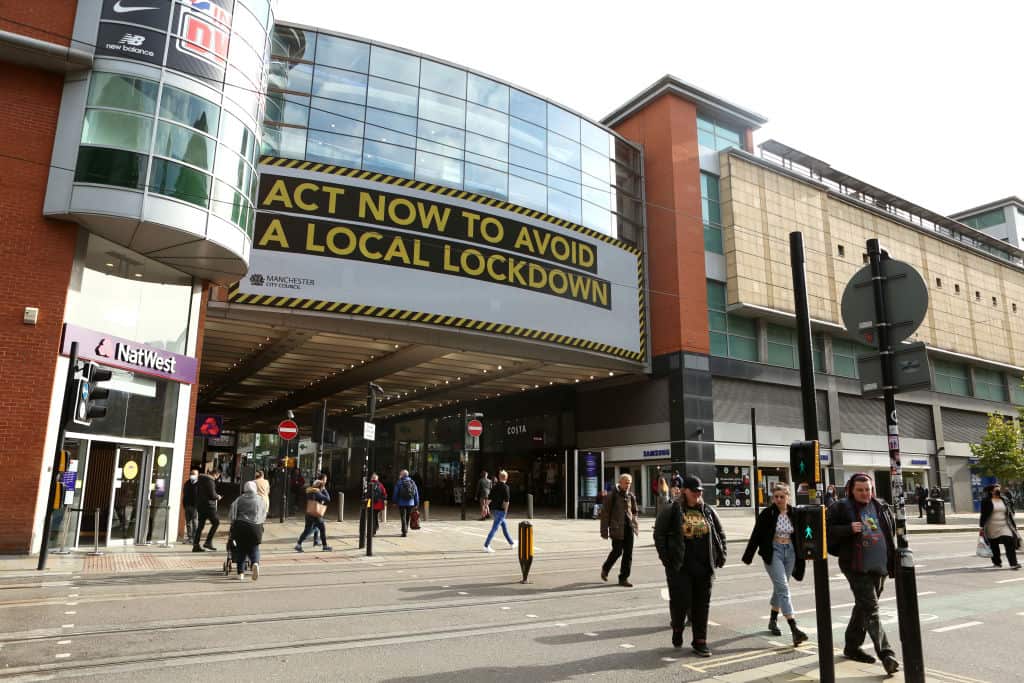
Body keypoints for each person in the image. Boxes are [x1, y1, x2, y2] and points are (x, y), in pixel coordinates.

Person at [827, 473, 900, 675]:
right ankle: (887, 655)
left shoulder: (881, 506)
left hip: (880, 566)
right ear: (851, 489)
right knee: (872, 608)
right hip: (855, 565)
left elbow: (889, 531)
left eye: (868, 489)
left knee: (864, 607)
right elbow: (826, 530)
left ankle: (852, 647)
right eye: (860, 490)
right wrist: (848, 529)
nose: (865, 493)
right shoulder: (841, 507)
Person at [653, 475, 726, 656]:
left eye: (700, 492)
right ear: (685, 490)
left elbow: (720, 533)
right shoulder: (672, 510)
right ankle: (677, 628)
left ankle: (700, 641)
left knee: (702, 604)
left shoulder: (707, 511)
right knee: (681, 603)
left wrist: (722, 553)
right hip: (680, 566)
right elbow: (659, 535)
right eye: (694, 491)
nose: (697, 494)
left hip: (704, 566)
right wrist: (666, 559)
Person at [741, 483, 808, 645]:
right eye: (776, 497)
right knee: (783, 588)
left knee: (780, 587)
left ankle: (772, 620)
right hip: (774, 552)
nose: (778, 500)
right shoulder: (767, 513)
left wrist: (808, 549)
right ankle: (794, 628)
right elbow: (756, 534)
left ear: (788, 497)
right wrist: (748, 556)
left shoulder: (795, 513)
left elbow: (804, 532)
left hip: (790, 552)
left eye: (781, 497)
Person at [599, 473, 639, 587]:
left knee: (628, 554)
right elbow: (605, 514)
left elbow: (635, 511)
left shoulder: (631, 496)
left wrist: (635, 523)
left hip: (629, 528)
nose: (628, 485)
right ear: (620, 482)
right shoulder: (612, 495)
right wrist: (604, 530)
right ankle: (606, 568)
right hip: (617, 528)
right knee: (617, 551)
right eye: (626, 483)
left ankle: (623, 578)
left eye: (630, 483)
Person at [229, 480, 268, 581]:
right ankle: (255, 563)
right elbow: (264, 514)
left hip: (241, 526)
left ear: (245, 489)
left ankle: (240, 573)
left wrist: (233, 524)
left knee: (241, 550)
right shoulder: (260, 500)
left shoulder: (239, 500)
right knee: (254, 548)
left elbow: (232, 515)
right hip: (256, 527)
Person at [980, 483, 1020, 569]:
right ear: (991, 491)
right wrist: (981, 526)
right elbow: (983, 514)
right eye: (996, 490)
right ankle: (997, 563)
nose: (998, 491)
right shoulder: (986, 501)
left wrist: (1014, 525)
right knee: (994, 545)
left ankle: (1013, 563)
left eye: (999, 489)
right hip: (991, 526)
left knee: (1009, 543)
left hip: (1004, 525)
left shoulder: (1004, 499)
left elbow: (1009, 513)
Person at [295, 480, 332, 552]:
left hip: (308, 513)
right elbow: (328, 499)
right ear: (320, 487)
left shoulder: (309, 491)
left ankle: (298, 544)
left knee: (307, 530)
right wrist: (324, 490)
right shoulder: (316, 492)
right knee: (322, 528)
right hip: (315, 514)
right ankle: (325, 546)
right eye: (322, 487)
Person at [483, 470, 516, 552]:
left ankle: (511, 543)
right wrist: (505, 511)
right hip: (501, 511)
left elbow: (489, 499)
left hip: (495, 510)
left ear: (499, 477)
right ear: (506, 478)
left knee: (504, 527)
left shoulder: (495, 486)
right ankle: (486, 545)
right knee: (495, 528)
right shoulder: (506, 487)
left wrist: (484, 508)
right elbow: (506, 502)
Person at [193, 470, 221, 552]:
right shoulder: (210, 481)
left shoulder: (200, 479)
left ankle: (196, 545)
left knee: (200, 526)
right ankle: (208, 542)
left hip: (200, 505)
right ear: (216, 474)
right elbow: (212, 494)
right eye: (218, 476)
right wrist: (218, 497)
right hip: (209, 506)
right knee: (216, 522)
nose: (217, 478)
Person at [392, 469, 420, 537]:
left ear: (402, 475)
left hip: (402, 502)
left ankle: (404, 531)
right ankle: (406, 530)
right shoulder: (412, 482)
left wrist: (394, 501)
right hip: (410, 503)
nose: (399, 475)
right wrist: (416, 503)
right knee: (407, 517)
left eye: (400, 474)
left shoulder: (399, 482)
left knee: (403, 517)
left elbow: (395, 493)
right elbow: (416, 493)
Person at [182, 469, 199, 544]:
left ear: (197, 475)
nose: (192, 475)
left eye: (194, 474)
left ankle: (195, 538)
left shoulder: (199, 484)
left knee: (195, 523)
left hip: (195, 507)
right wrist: (184, 504)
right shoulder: (187, 483)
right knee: (188, 523)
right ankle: (190, 538)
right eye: (191, 473)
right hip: (187, 506)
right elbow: (184, 494)